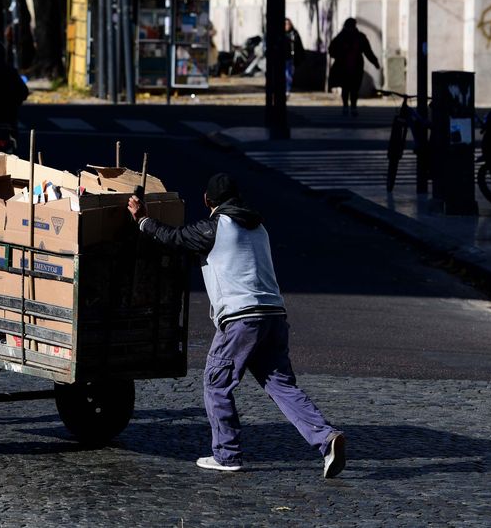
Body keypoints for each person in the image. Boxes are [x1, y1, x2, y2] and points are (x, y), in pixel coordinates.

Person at [127, 173, 346, 478]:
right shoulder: (259, 228)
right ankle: (326, 438)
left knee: (216, 383)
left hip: (242, 319)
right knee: (281, 385)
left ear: (208, 201)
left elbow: (175, 239)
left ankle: (227, 455)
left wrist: (142, 220)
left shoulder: (215, 227)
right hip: (274, 316)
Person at [328, 18, 380, 117]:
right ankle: (346, 106)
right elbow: (332, 50)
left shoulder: (359, 37)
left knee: (354, 88)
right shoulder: (341, 37)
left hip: (356, 66)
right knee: (346, 88)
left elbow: (367, 51)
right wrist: (341, 53)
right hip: (344, 66)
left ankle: (352, 107)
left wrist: (375, 61)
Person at [283, 18, 305, 94]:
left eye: (288, 24)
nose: (287, 26)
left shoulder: (294, 33)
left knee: (288, 74)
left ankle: (287, 89)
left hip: (290, 58)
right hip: (282, 57)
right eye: (285, 24)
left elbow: (299, 46)